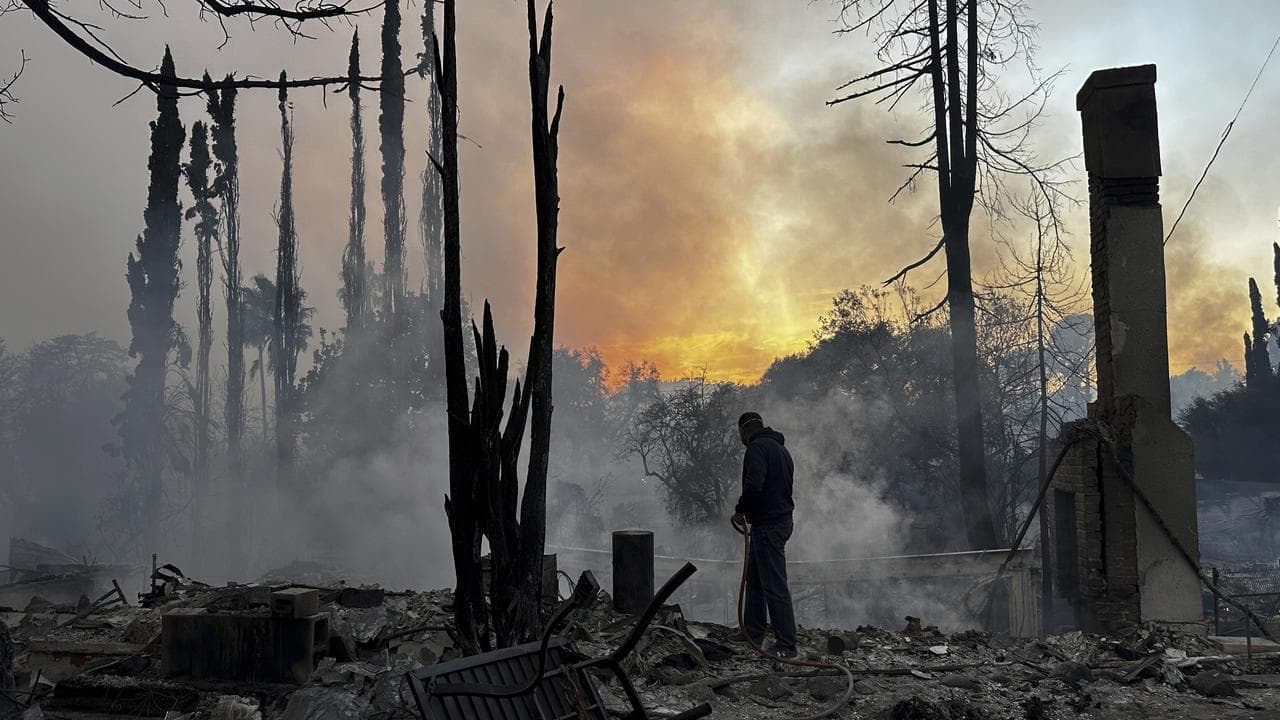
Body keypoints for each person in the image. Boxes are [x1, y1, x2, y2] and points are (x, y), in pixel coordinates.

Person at [732, 411, 797, 659]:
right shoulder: (781, 450)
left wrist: (740, 510)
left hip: (769, 525)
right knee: (756, 580)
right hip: (778, 521)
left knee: (774, 585)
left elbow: (754, 485)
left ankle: (787, 645)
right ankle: (753, 631)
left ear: (744, 431)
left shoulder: (756, 448)